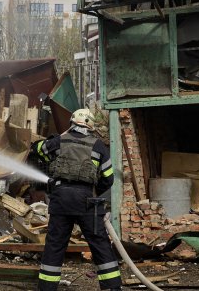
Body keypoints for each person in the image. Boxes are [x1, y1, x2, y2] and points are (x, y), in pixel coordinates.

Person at [31, 108, 122, 291]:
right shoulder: (98, 146)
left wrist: (54, 139)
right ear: (91, 126)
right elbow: (108, 178)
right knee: (99, 243)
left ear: (71, 123)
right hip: (86, 200)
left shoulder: (59, 141)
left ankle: (47, 287)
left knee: (55, 244)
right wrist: (94, 191)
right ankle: (112, 286)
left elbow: (38, 150)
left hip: (61, 199)